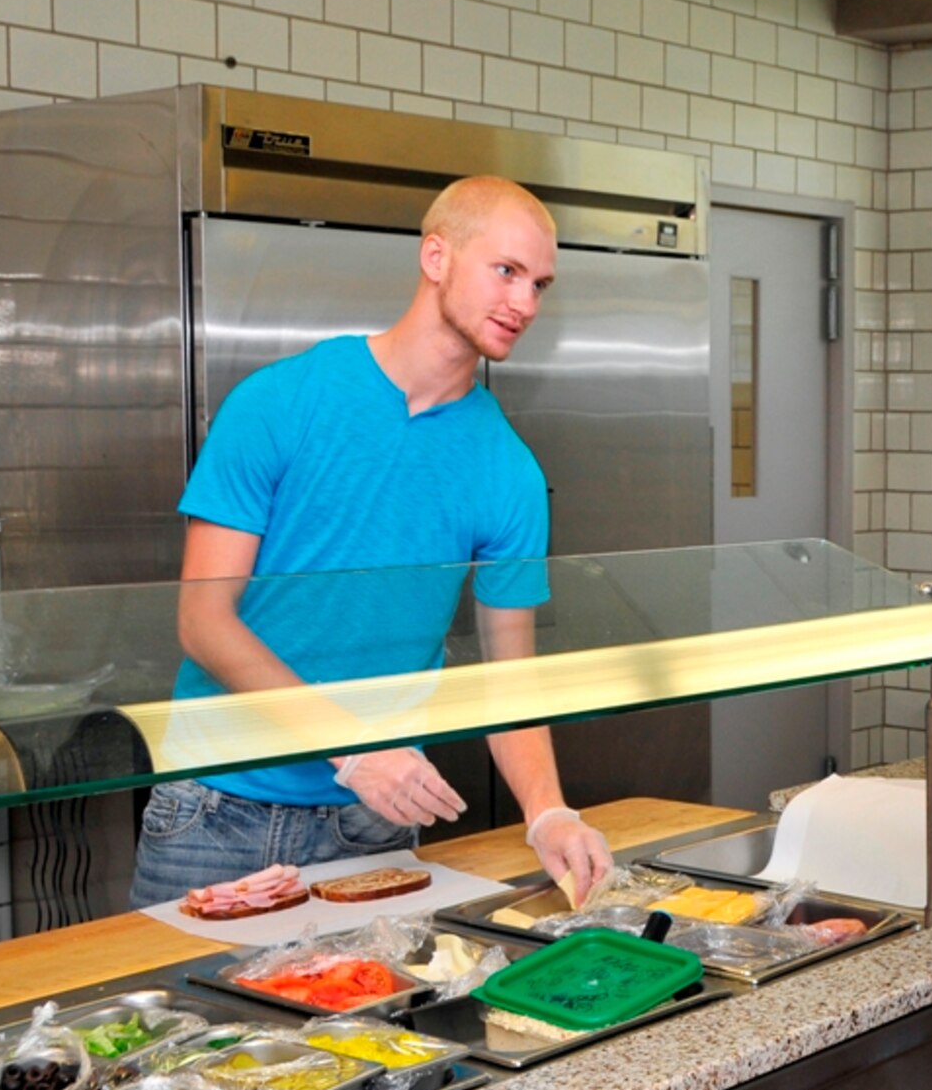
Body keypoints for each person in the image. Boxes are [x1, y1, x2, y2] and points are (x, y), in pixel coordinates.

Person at [131, 176, 612, 909]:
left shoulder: (509, 470)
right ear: (436, 257)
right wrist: (353, 749)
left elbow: (508, 677)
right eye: (506, 271)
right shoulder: (278, 402)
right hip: (214, 811)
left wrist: (548, 811)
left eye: (539, 284)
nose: (525, 303)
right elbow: (203, 621)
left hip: (371, 826)